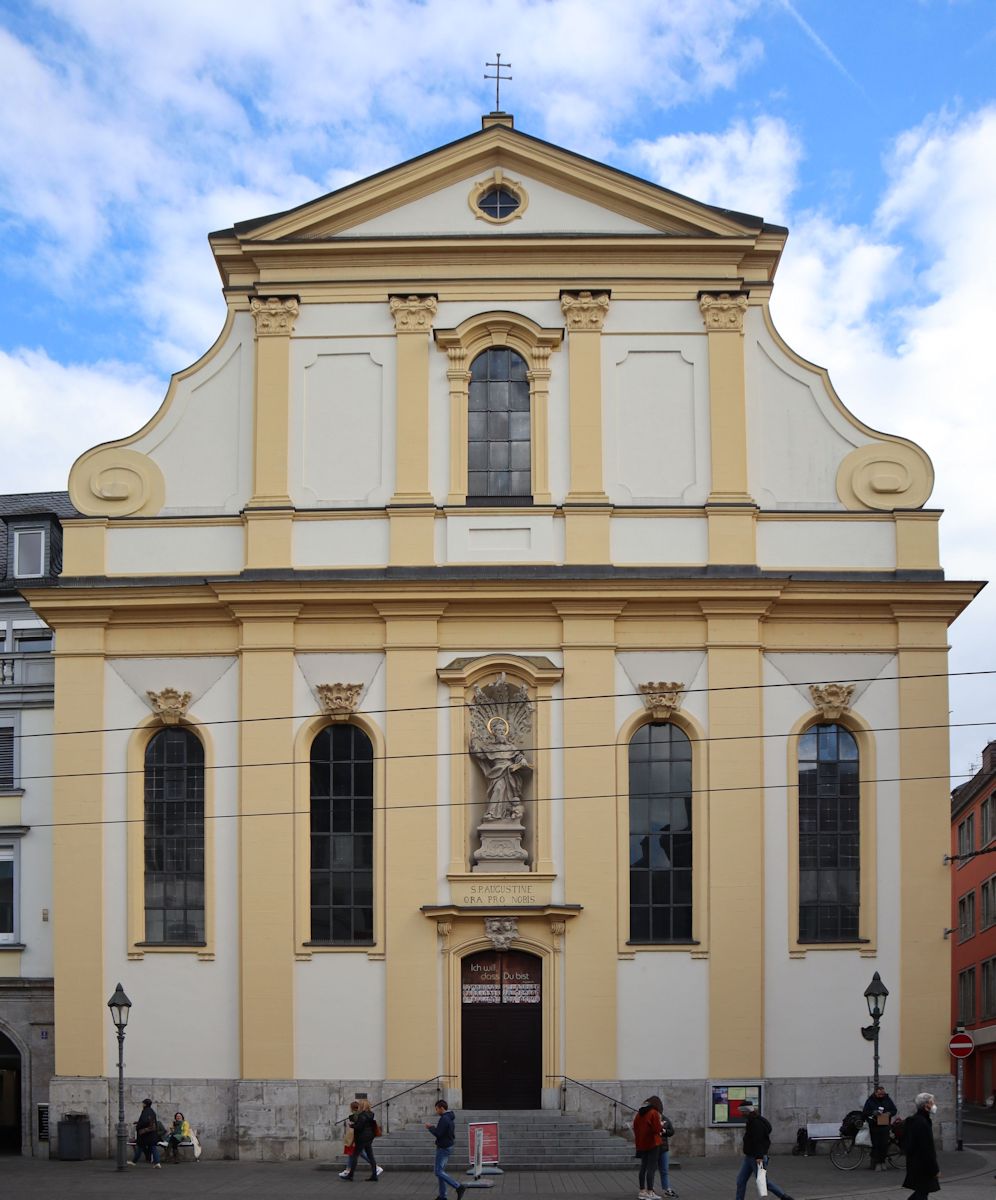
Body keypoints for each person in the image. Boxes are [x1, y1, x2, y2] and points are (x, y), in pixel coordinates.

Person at [734, 1100, 793, 1200]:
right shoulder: (752, 1121)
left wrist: (759, 1157)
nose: (741, 1114)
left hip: (758, 1158)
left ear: (747, 1111)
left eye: (743, 1111)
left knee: (763, 1182)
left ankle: (785, 1197)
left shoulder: (756, 1123)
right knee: (740, 1181)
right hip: (749, 1158)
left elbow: (759, 1141)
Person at [425, 1099, 466, 1200]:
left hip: (443, 1148)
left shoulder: (444, 1119)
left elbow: (438, 1133)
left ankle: (458, 1186)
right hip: (447, 1146)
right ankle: (442, 1196)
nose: (436, 1111)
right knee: (441, 1172)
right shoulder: (449, 1117)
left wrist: (430, 1127)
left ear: (442, 1108)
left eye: (437, 1109)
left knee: (438, 1172)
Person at [902, 1092, 940, 1200]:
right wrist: (935, 1169)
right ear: (926, 1105)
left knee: (922, 1193)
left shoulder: (916, 1119)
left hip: (916, 1163)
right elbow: (927, 1149)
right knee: (922, 1194)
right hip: (923, 1165)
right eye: (932, 1102)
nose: (934, 1105)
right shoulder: (922, 1123)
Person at [340, 1100, 384, 1179]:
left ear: (362, 1106)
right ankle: (374, 1175)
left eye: (360, 1105)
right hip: (369, 1137)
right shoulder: (371, 1114)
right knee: (370, 1156)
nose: (359, 1106)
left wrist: (352, 1126)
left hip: (362, 1138)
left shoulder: (362, 1115)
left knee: (354, 1156)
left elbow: (359, 1127)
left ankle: (350, 1175)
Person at [633, 1095, 663, 1200]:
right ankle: (650, 1192)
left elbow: (635, 1126)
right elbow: (657, 1129)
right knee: (651, 1168)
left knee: (643, 1167)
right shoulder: (653, 1113)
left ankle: (642, 1191)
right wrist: (661, 1126)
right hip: (653, 1143)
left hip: (642, 1143)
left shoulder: (639, 1114)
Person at [862, 1084, 898, 1170]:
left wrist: (889, 1113)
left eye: (883, 1094)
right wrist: (873, 1112)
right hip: (874, 1126)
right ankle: (877, 1163)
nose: (881, 1096)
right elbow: (865, 1112)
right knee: (876, 1145)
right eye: (879, 1094)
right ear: (875, 1093)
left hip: (885, 1125)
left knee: (884, 1145)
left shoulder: (887, 1100)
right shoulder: (870, 1101)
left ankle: (882, 1161)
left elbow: (894, 1110)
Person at [128, 1097, 162, 1168]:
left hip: (145, 1134)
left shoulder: (146, 1111)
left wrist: (139, 1125)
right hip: (151, 1133)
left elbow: (145, 1121)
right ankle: (157, 1163)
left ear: (145, 1104)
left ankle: (134, 1161)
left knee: (140, 1147)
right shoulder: (152, 1111)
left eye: (143, 1103)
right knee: (153, 1147)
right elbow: (149, 1121)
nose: (142, 1104)